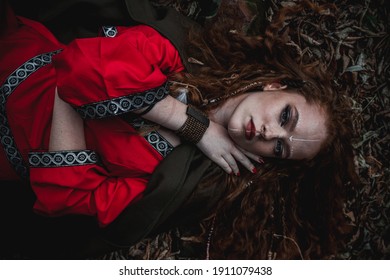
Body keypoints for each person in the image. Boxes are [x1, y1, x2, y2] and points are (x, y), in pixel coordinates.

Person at [0, 0, 360, 259]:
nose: (270, 134)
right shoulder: (185, 57)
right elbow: (81, 65)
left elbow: (69, 198)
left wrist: (68, 95)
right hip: (13, 63)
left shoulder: (181, 182)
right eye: (285, 117)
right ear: (275, 86)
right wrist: (188, 123)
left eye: (280, 148)